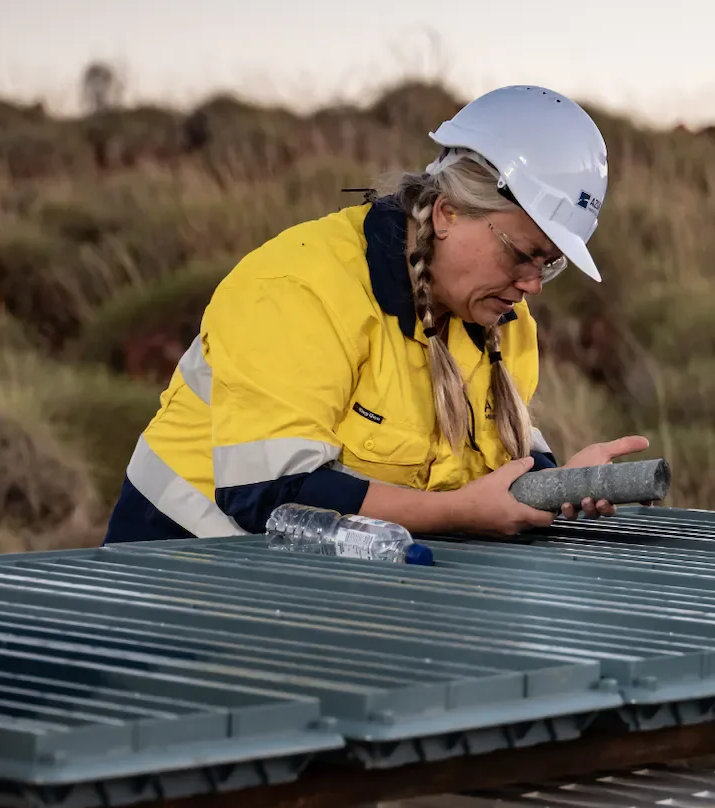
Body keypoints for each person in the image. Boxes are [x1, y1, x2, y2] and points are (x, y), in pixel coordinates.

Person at [103, 84, 649, 545]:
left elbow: (493, 460)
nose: (531, 285)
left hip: (316, 580)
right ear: (448, 213)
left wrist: (559, 487)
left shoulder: (503, 321)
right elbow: (266, 494)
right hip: (173, 571)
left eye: (550, 265)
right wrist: (457, 513)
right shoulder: (300, 288)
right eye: (522, 253)